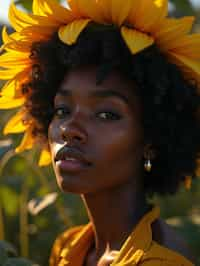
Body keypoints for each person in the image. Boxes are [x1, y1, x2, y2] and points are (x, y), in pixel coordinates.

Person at [0, 0, 199, 265]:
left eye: (106, 114)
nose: (70, 129)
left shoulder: (159, 262)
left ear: (151, 140)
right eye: (61, 110)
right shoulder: (69, 247)